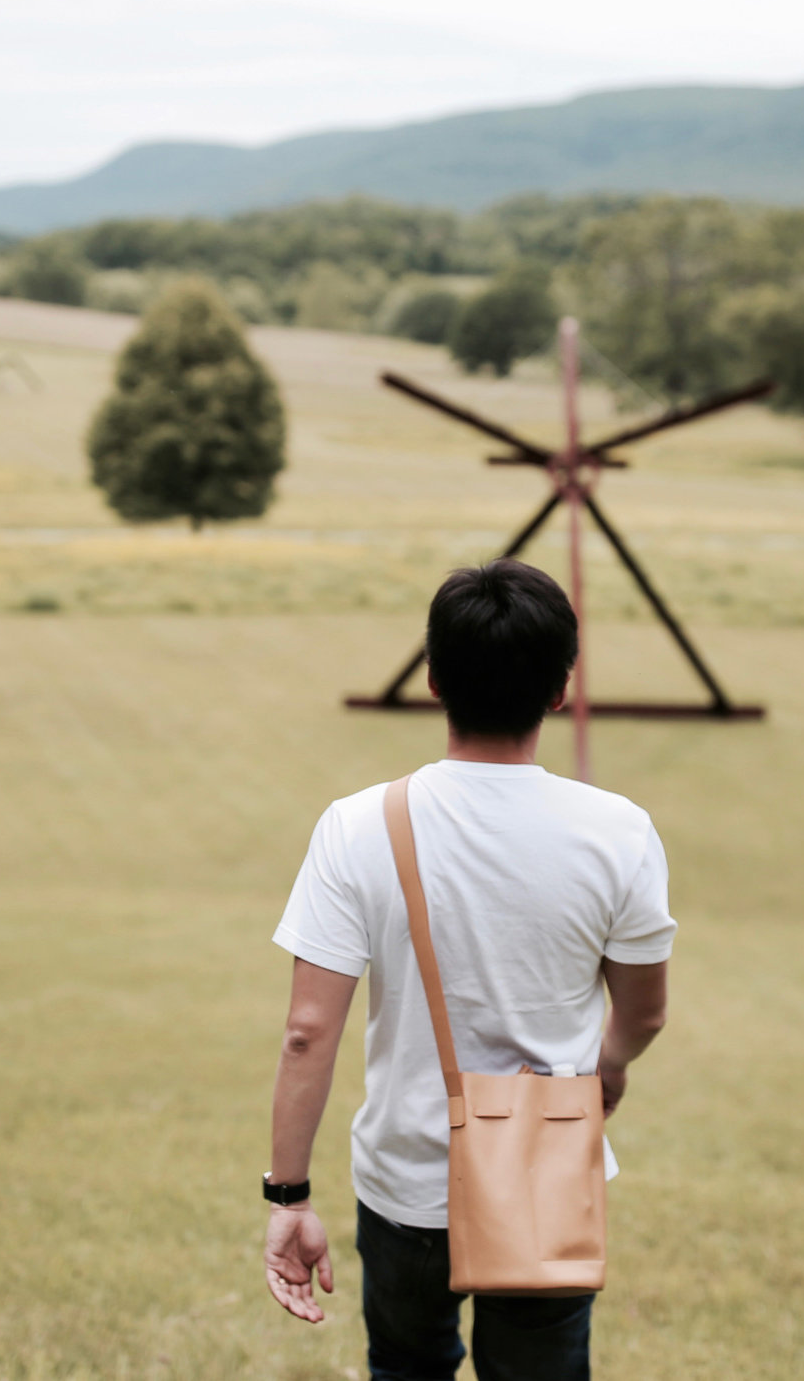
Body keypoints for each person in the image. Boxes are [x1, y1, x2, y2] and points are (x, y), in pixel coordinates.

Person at [261, 559, 675, 1381]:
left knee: (407, 1369)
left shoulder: (356, 826)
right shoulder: (618, 831)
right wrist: (609, 1064)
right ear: (561, 688)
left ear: (433, 679)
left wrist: (290, 1197)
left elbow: (309, 1033)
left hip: (406, 1178)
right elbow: (645, 1011)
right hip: (550, 1167)